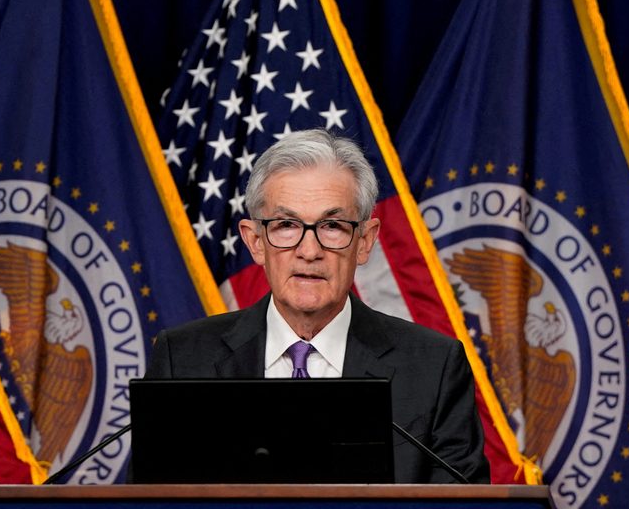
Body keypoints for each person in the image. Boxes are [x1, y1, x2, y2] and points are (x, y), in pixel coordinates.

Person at [146, 128, 490, 483]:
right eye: (285, 225)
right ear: (255, 242)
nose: (309, 251)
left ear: (364, 241)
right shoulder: (183, 360)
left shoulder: (434, 366)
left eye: (332, 226)